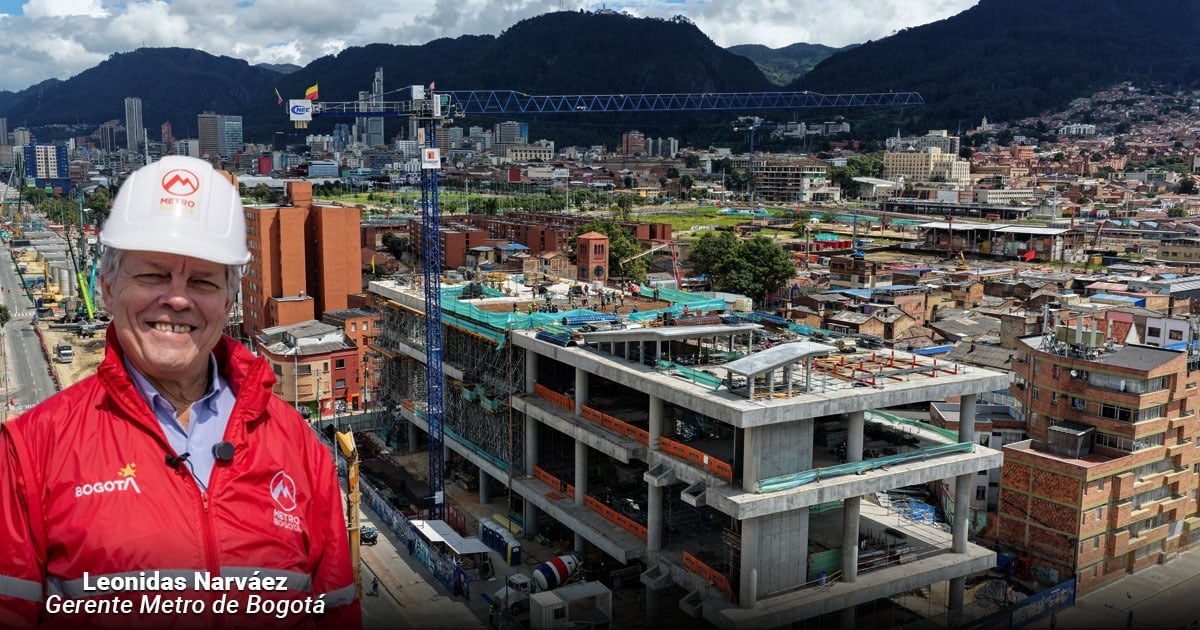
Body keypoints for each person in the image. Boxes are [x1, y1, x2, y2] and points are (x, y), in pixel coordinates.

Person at [0, 157, 360, 628]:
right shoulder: (31, 452)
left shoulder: (299, 449)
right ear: (107, 289)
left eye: (202, 281)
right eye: (151, 274)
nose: (176, 298)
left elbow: (336, 614)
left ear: (228, 302)